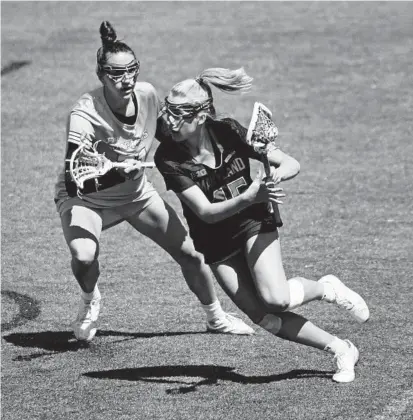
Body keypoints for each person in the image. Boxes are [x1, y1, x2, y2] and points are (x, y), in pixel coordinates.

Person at [154, 67, 370, 383]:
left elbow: (290, 162)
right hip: (214, 237)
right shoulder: (168, 157)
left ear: (201, 116)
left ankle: (327, 288)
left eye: (178, 113)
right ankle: (341, 349)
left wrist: (275, 177)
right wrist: (251, 195)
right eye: (168, 109)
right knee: (266, 318)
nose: (168, 120)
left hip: (253, 221)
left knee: (277, 299)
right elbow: (206, 213)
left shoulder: (227, 131)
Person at [54, 22, 254, 343]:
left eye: (132, 70)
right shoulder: (84, 114)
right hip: (87, 198)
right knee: (84, 255)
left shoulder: (146, 94)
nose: (126, 79)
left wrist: (213, 140)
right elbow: (74, 174)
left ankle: (216, 318)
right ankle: (90, 300)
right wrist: (116, 169)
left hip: (135, 195)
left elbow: (170, 133)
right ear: (100, 75)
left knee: (191, 254)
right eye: (116, 74)